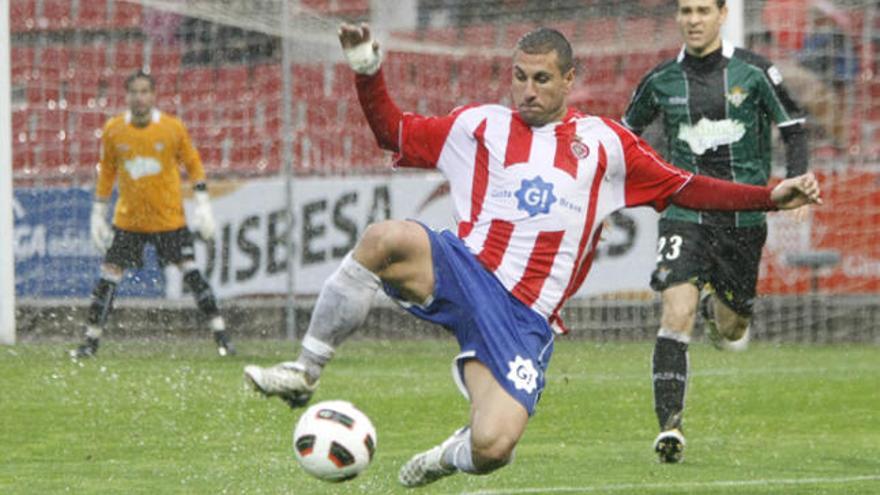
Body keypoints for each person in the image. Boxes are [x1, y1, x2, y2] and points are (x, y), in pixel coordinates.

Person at [244, 23, 820, 487]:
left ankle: (443, 458)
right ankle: (305, 371)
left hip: (523, 319)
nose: (527, 90)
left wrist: (768, 196)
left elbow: (686, 186)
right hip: (464, 269)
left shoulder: (605, 145)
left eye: (542, 79)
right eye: (519, 77)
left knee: (494, 446)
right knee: (384, 239)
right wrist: (368, 69)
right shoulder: (478, 127)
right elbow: (390, 131)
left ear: (570, 79)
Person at [621, 0, 810, 463]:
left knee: (732, 327)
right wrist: (614, 194)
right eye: (686, 10)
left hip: (743, 222)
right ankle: (670, 427)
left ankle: (718, 309)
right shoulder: (660, 80)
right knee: (675, 311)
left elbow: (796, 129)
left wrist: (797, 181)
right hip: (684, 213)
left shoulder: (754, 72)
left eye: (703, 10)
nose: (693, 19)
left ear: (723, 15)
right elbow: (624, 137)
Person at [71, 70, 234, 358]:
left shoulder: (172, 128)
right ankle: (90, 343)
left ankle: (222, 338)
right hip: (128, 221)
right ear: (127, 96)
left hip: (168, 220)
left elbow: (194, 165)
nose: (140, 97)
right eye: (134, 92)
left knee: (192, 273)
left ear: (154, 95)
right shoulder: (114, 129)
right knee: (108, 278)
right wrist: (97, 213)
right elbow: (107, 171)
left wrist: (203, 205)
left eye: (145, 91)